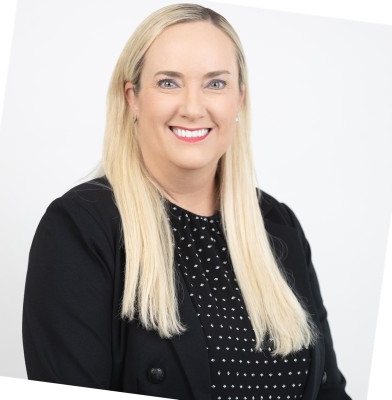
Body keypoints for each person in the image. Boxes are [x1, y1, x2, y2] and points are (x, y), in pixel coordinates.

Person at [22, 4, 351, 400]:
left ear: (240, 99)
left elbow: (330, 391)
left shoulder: (278, 225)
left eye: (216, 83)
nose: (193, 108)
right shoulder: (80, 229)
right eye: (168, 83)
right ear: (133, 98)